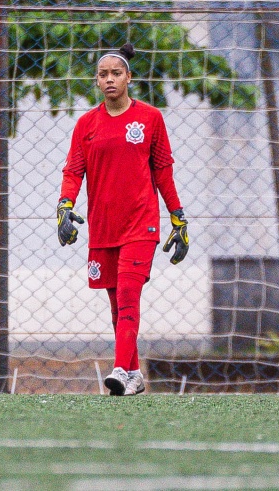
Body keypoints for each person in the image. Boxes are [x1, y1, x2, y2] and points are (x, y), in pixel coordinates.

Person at [57, 43, 190, 396]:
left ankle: (119, 369)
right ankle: (134, 374)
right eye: (104, 74)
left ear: (129, 78)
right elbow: (73, 171)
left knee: (130, 295)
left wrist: (178, 218)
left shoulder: (150, 118)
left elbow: (163, 171)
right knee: (117, 305)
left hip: (141, 224)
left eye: (117, 73)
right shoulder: (86, 124)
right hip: (103, 227)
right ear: (97, 82)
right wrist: (64, 207)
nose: (110, 79)